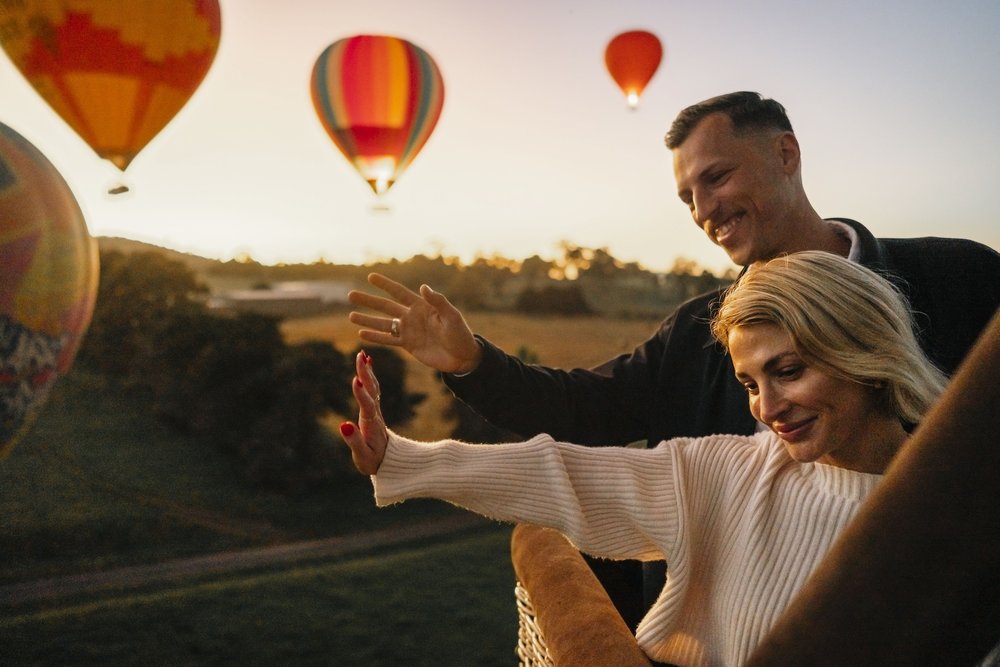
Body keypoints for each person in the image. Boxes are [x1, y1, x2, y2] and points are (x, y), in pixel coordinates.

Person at [348, 91, 1000, 619]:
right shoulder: (695, 334)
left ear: (786, 153)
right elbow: (583, 419)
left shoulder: (963, 277)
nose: (703, 209)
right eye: (688, 196)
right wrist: (471, 363)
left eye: (716, 177)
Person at [339, 251, 950, 667]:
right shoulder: (731, 472)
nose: (768, 407)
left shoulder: (959, 512)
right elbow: (562, 474)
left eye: (788, 371)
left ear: (863, 351)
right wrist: (403, 457)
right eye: (749, 384)